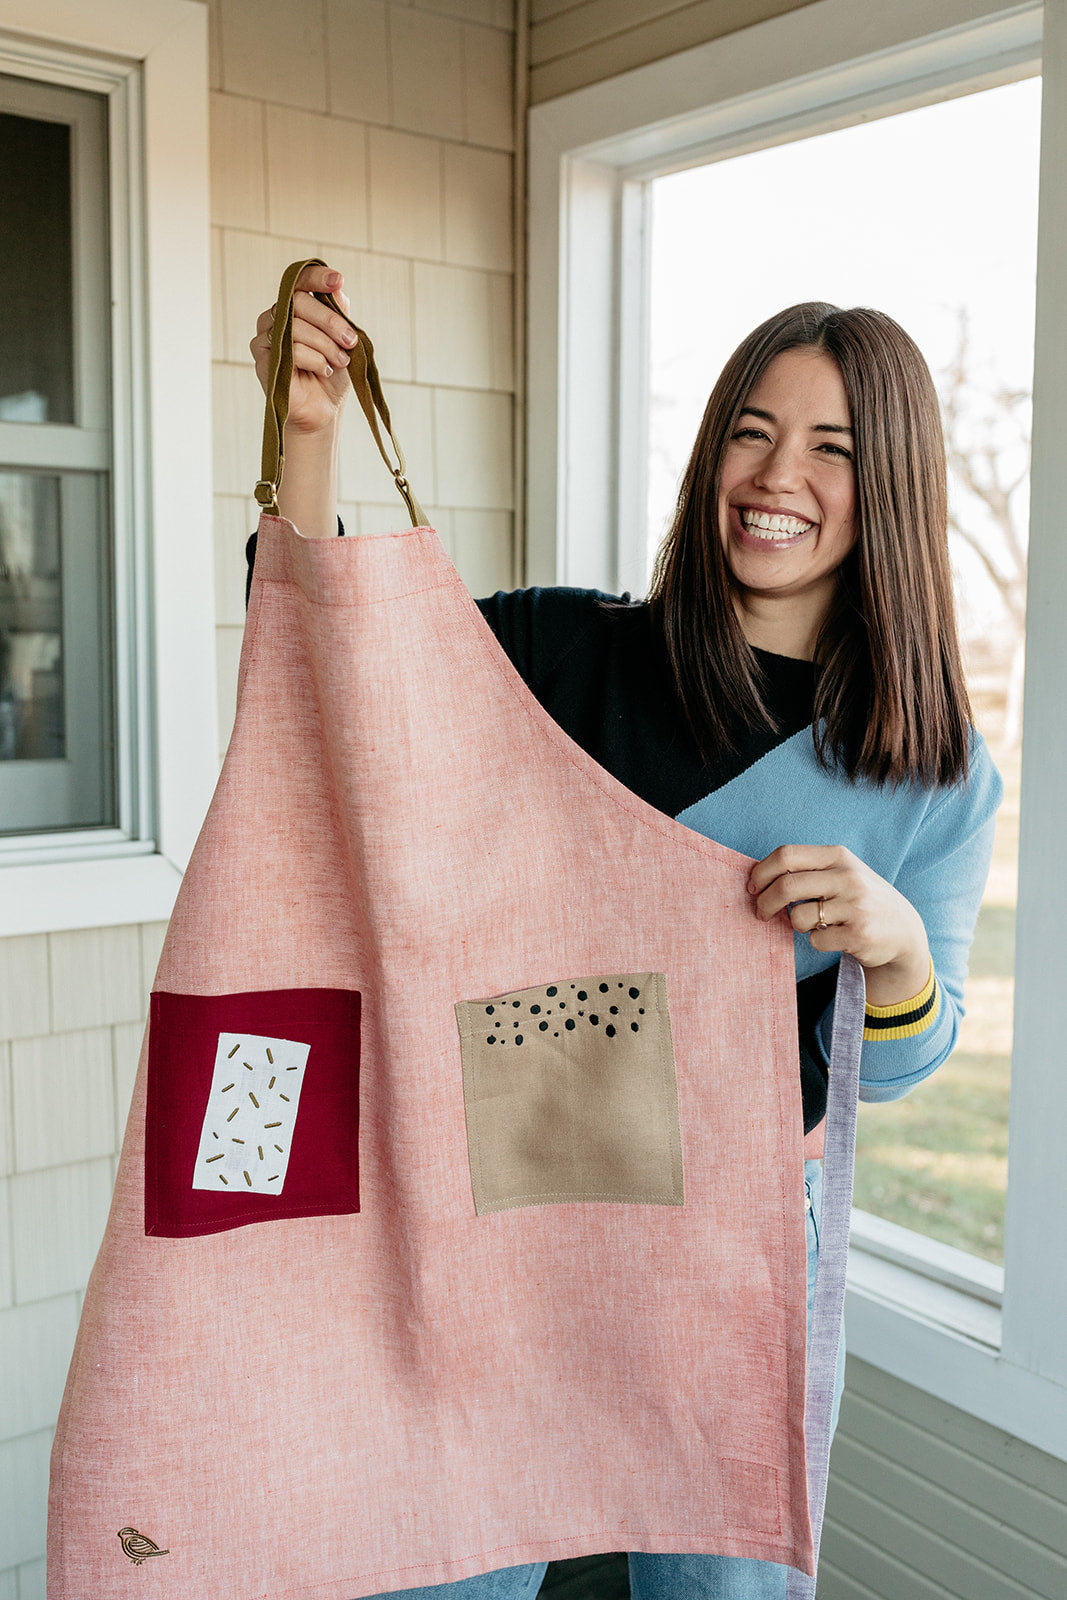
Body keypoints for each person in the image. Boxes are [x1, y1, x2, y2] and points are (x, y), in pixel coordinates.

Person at [247, 264, 1001, 1600]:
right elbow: (328, 687)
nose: (776, 474)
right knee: (440, 1556)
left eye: (831, 446)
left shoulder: (928, 773)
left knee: (722, 1585)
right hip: (502, 1197)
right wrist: (304, 434)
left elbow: (892, 1068)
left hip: (735, 1239)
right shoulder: (560, 654)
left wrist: (894, 949)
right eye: (751, 431)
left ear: (886, 483)